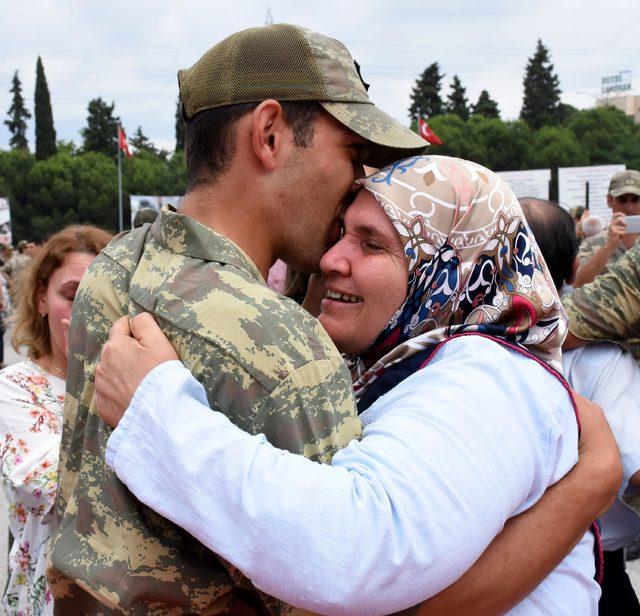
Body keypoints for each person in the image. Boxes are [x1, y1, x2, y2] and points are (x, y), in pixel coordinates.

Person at [96, 156, 620, 615]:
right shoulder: (408, 366)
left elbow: (361, 546)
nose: (331, 260)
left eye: (372, 243)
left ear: (446, 267)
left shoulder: (490, 376)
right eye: (340, 234)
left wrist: (159, 411)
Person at [47, 23, 429, 614]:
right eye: (352, 154)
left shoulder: (118, 266)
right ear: (270, 134)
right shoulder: (280, 345)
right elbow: (357, 587)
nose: (359, 184)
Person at [520, 197, 640, 615]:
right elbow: (635, 466)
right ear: (574, 269)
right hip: (594, 567)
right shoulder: (603, 360)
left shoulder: (451, 346)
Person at [0, 226, 111, 616]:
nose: (85, 310)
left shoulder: (133, 378)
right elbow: (47, 485)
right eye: (71, 295)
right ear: (41, 299)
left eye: (100, 298)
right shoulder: (13, 389)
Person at [573, 170, 640, 288]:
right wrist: (609, 247)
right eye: (622, 200)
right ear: (609, 200)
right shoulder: (591, 244)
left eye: (635, 200)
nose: (629, 207)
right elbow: (578, 283)